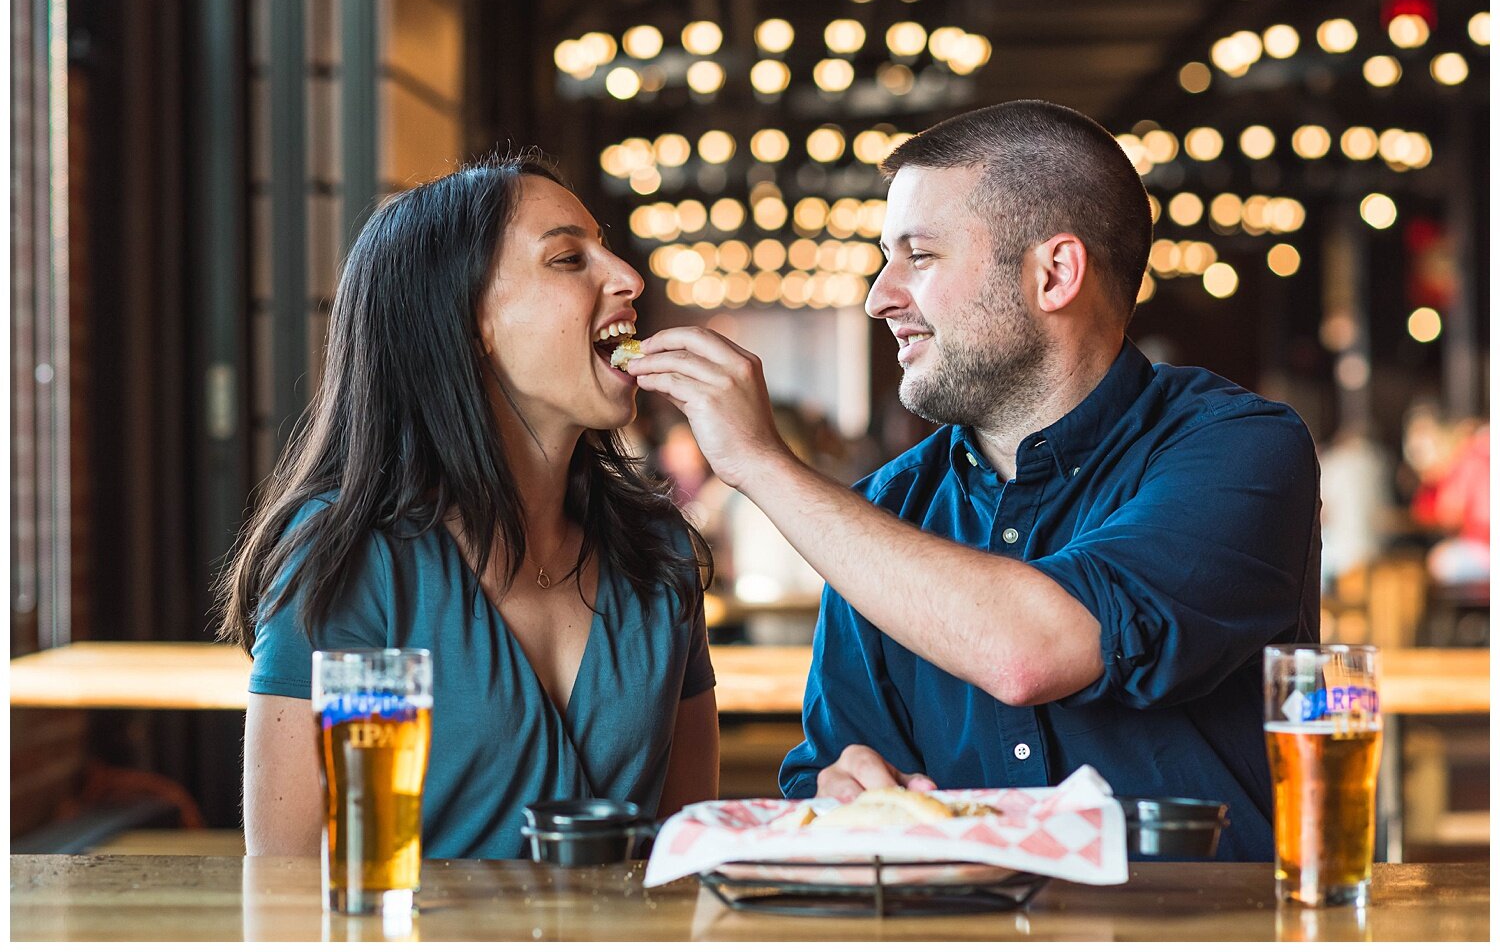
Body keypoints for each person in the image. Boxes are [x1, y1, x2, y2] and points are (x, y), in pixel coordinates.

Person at [626, 100, 1320, 860]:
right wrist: (845, 792)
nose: (879, 296)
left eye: (918, 257)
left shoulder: (1239, 448)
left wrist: (761, 462)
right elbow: (836, 780)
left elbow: (1035, 652)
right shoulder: (886, 512)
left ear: (1054, 274)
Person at [217, 152, 719, 859]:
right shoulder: (350, 557)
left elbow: (683, 863)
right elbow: (287, 890)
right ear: (468, 319)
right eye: (569, 259)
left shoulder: (661, 552)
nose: (630, 278)